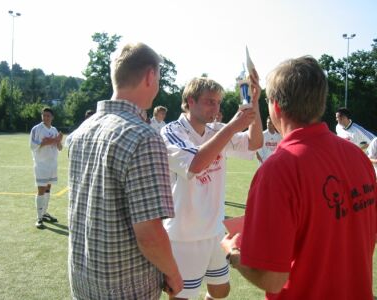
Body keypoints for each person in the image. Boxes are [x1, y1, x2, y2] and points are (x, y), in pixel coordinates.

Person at [221, 56, 377, 300]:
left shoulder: (279, 169)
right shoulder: (358, 158)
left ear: (277, 107)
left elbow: (272, 279)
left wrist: (233, 253)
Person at [68, 42, 183, 300]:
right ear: (150, 76)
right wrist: (173, 272)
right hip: (126, 286)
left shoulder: (81, 132)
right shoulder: (143, 137)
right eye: (159, 78)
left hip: (83, 279)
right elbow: (150, 234)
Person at [160, 76, 263, 299]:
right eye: (209, 101)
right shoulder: (171, 131)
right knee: (181, 296)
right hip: (184, 235)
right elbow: (195, 164)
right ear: (190, 100)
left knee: (220, 291)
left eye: (217, 102)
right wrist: (235, 125)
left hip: (215, 231)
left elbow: (254, 143)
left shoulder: (217, 129)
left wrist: (253, 104)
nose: (215, 108)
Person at [29, 107, 63, 229]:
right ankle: (39, 218)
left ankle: (44, 213)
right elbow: (32, 146)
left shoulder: (54, 130)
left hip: (52, 164)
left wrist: (58, 141)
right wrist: (48, 141)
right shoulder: (36, 129)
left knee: (48, 189)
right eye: (44, 115)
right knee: (41, 190)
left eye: (48, 116)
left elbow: (59, 148)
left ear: (52, 117)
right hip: (41, 165)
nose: (46, 118)